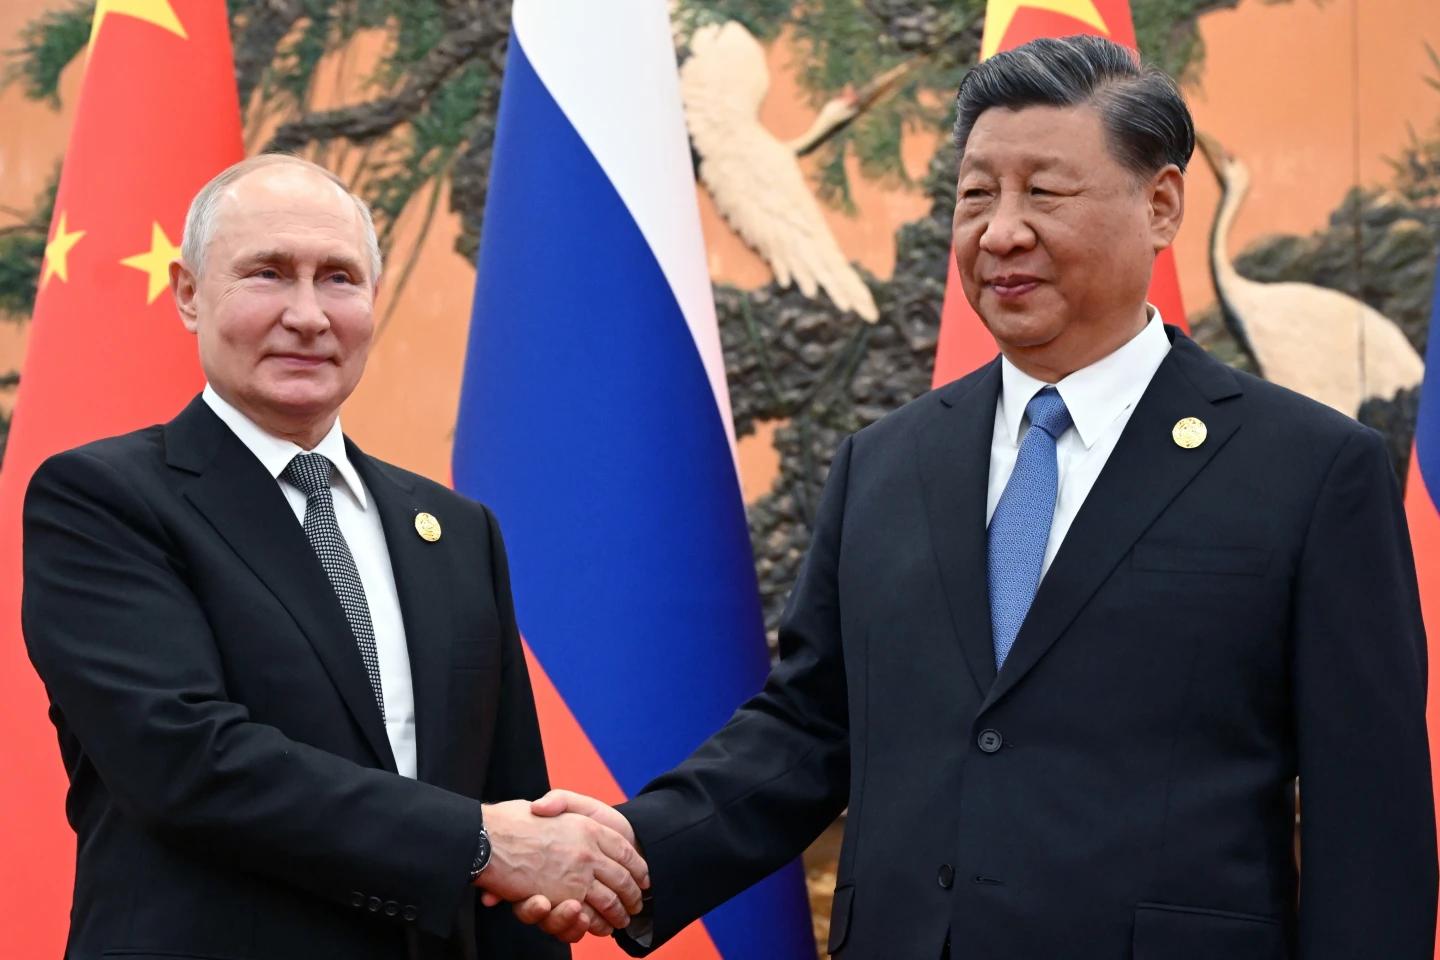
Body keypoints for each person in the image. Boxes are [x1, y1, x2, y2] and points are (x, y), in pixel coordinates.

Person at [516, 34, 1438, 958]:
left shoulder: (1309, 470)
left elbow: (1373, 820)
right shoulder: (884, 465)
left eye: (1043, 192)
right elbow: (807, 730)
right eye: (975, 196)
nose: (1000, 230)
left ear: (1160, 205)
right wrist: (628, 850)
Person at [21, 154, 646, 960]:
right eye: (269, 274)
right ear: (187, 293)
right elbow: (185, 760)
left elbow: (510, 805)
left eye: (339, 278)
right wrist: (480, 842)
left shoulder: (454, 530)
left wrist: (522, 858)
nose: (309, 315)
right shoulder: (103, 500)